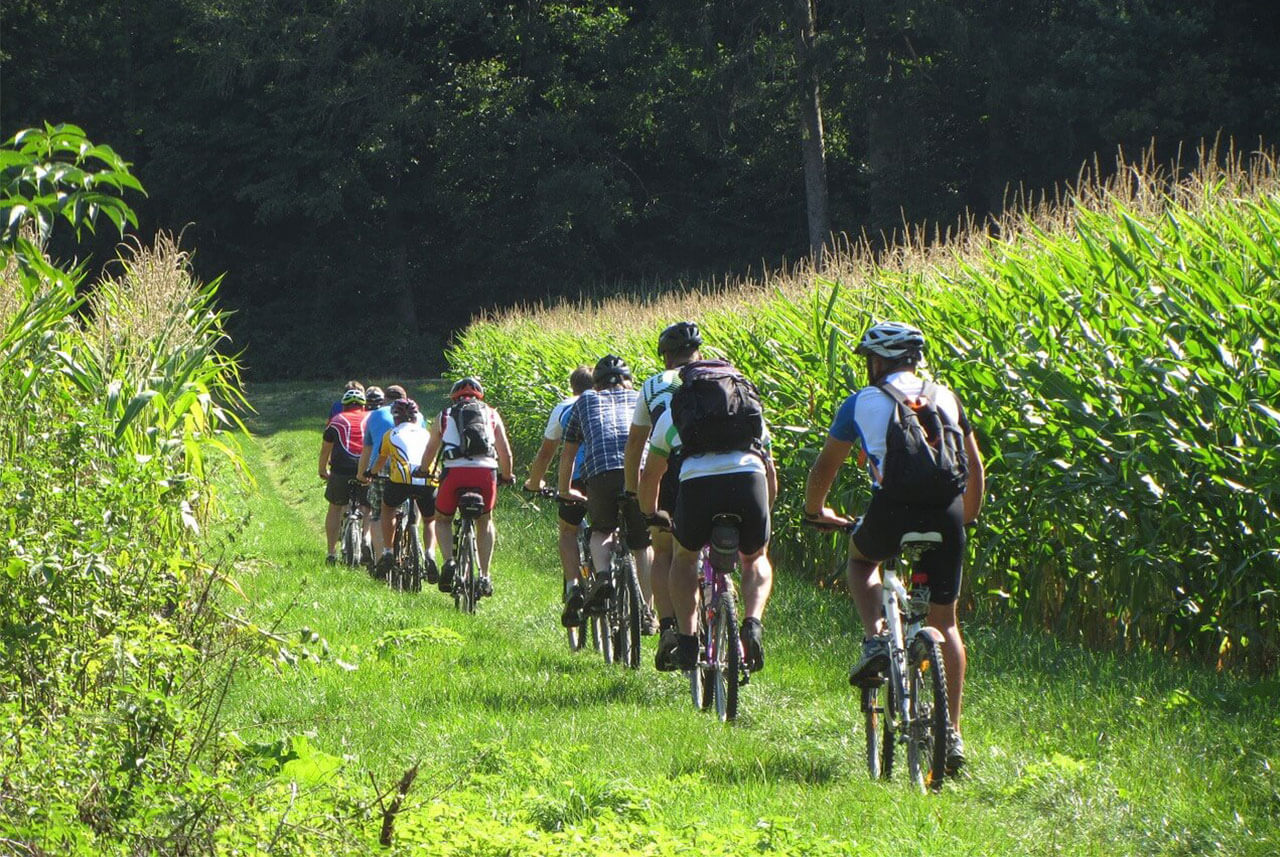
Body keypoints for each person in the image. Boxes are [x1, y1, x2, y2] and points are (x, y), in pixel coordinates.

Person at [803, 321, 985, 775]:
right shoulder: (945, 397)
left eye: (869, 359)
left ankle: (876, 640)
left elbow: (826, 466)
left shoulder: (861, 402)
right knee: (946, 621)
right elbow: (974, 466)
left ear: (879, 361)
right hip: (947, 514)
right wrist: (966, 518)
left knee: (862, 561)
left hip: (892, 511)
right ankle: (952, 733)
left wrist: (816, 510)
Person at [637, 360, 777, 673]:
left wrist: (650, 513)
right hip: (749, 479)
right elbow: (771, 475)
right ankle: (752, 623)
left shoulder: (674, 416)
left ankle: (688, 641)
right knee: (755, 557)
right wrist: (764, 511)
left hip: (697, 486)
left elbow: (652, 476)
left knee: (685, 559)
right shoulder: (750, 413)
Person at [623, 321, 703, 668]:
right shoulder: (717, 376)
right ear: (698, 352)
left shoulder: (654, 384)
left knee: (664, 550)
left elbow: (636, 444)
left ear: (666, 357)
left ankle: (669, 624)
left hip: (668, 469)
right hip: (715, 469)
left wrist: (633, 492)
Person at [558, 355, 653, 626]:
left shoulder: (585, 400)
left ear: (596, 383)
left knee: (602, 530)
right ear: (628, 380)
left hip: (600, 473)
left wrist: (564, 490)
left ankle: (602, 576)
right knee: (642, 543)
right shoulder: (641, 397)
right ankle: (647, 612)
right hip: (639, 472)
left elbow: (568, 454)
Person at [419, 377, 514, 597]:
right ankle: (485, 576)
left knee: (443, 519)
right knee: (485, 520)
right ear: (479, 396)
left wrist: (423, 470)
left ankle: (449, 561)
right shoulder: (491, 414)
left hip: (455, 473)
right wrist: (507, 475)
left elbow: (431, 449)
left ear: (454, 397)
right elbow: (505, 452)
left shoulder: (444, 415)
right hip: (486, 473)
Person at [523, 365, 595, 623]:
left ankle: (573, 585)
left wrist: (534, 483)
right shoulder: (609, 403)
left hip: (577, 477)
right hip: (610, 474)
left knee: (568, 531)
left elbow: (546, 453)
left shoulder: (564, 407)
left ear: (572, 386)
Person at [366, 398, 437, 581]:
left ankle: (388, 551)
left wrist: (371, 473)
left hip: (400, 481)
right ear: (416, 417)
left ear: (395, 418)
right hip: (427, 481)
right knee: (430, 519)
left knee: (388, 508)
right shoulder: (427, 434)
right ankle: (430, 554)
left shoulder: (391, 434)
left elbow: (381, 460)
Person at [358, 385, 418, 571]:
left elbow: (368, 449)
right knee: (413, 506)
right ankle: (413, 542)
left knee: (378, 514)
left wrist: (362, 474)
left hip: (383, 467)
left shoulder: (375, 415)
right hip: (413, 469)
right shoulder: (418, 415)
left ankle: (381, 561)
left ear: (385, 400)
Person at [318, 387, 370, 563]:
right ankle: (366, 540)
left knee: (334, 507)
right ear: (363, 406)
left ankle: (331, 553)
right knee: (367, 506)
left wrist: (322, 470)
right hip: (365, 470)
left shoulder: (336, 420)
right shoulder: (370, 419)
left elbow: (325, 449)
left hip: (341, 470)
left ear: (344, 406)